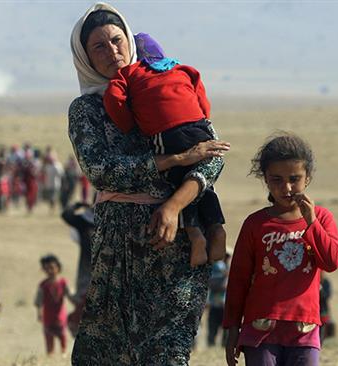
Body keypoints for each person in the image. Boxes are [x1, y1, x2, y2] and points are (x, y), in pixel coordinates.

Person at [68, 3, 230, 364]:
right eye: (99, 47)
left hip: (180, 242)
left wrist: (174, 206)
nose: (112, 52)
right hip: (119, 250)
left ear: (130, 40)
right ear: (85, 57)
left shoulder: (165, 84)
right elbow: (100, 170)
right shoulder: (87, 110)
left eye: (117, 40)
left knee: (167, 352)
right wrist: (171, 160)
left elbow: (212, 154)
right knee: (106, 353)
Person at [104, 32, 226, 267]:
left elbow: (114, 98)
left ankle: (195, 235)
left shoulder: (129, 72)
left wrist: (129, 123)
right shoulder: (182, 68)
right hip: (199, 127)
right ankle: (216, 227)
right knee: (202, 180)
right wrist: (202, 120)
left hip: (167, 132)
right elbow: (201, 95)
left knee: (175, 179)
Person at [223, 133, 338, 366]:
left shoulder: (322, 219)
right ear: (266, 180)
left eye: (294, 178)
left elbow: (331, 262)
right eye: (276, 179)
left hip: (304, 328)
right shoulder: (255, 224)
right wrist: (232, 329)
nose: (286, 187)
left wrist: (312, 223)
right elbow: (238, 280)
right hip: (260, 329)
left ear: (307, 178)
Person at [60, 202, 95, 337]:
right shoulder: (84, 223)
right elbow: (66, 214)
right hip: (87, 272)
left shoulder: (113, 218)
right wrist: (78, 205)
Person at [35, 254, 72, 357]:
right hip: (48, 317)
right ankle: (50, 356)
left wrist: (78, 303)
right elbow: (39, 301)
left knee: (62, 335)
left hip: (60, 317)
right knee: (49, 337)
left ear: (58, 268)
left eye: (52, 267)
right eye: (46, 268)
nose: (49, 271)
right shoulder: (43, 285)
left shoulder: (63, 282)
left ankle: (63, 353)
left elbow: (70, 295)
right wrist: (39, 313)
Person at [207, 251, 231, 347]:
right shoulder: (217, 268)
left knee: (226, 332)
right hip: (215, 305)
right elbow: (213, 284)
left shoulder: (229, 269)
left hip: (225, 306)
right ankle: (211, 346)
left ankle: (223, 346)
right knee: (213, 329)